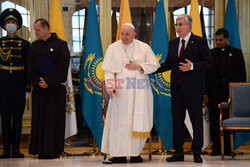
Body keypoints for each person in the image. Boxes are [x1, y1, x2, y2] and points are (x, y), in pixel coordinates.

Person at [154, 14, 212, 163]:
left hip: (194, 90)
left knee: (196, 122)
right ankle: (178, 152)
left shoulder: (199, 42)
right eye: (176, 24)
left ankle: (197, 152)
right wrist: (149, 69)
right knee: (177, 122)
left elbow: (209, 63)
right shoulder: (173, 43)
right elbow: (168, 64)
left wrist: (192, 66)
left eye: (180, 24)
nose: (177, 27)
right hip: (177, 90)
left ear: (189, 25)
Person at [101, 23, 160, 164]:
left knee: (137, 121)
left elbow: (155, 66)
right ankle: (118, 154)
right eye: (122, 34)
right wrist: (110, 86)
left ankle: (135, 154)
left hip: (139, 92)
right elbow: (109, 71)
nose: (124, 37)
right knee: (119, 124)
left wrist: (139, 66)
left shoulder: (144, 47)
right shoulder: (113, 48)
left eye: (127, 34)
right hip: (120, 92)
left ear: (134, 34)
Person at [28, 18, 70, 159]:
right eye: (34, 29)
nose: (35, 32)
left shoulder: (61, 45)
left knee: (53, 121)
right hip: (39, 90)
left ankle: (54, 150)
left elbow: (63, 69)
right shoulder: (33, 46)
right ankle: (39, 149)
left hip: (55, 90)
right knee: (39, 120)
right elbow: (30, 68)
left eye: (37, 29)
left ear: (46, 29)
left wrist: (49, 82)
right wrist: (39, 81)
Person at [206, 28, 246, 156]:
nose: (218, 42)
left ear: (227, 39)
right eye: (216, 40)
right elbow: (205, 75)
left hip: (230, 93)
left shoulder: (236, 53)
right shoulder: (210, 53)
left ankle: (229, 149)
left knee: (229, 119)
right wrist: (205, 93)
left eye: (220, 40)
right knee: (214, 120)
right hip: (214, 92)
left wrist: (241, 94)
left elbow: (242, 75)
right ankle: (216, 148)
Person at [0, 8, 30, 158]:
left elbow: (28, 68)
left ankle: (16, 149)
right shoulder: (0, 43)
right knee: (5, 118)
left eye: (13, 22)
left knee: (17, 117)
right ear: (4, 26)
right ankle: (6, 150)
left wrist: (27, 88)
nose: (11, 24)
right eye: (8, 22)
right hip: (3, 85)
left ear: (18, 26)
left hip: (18, 85)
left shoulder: (25, 44)